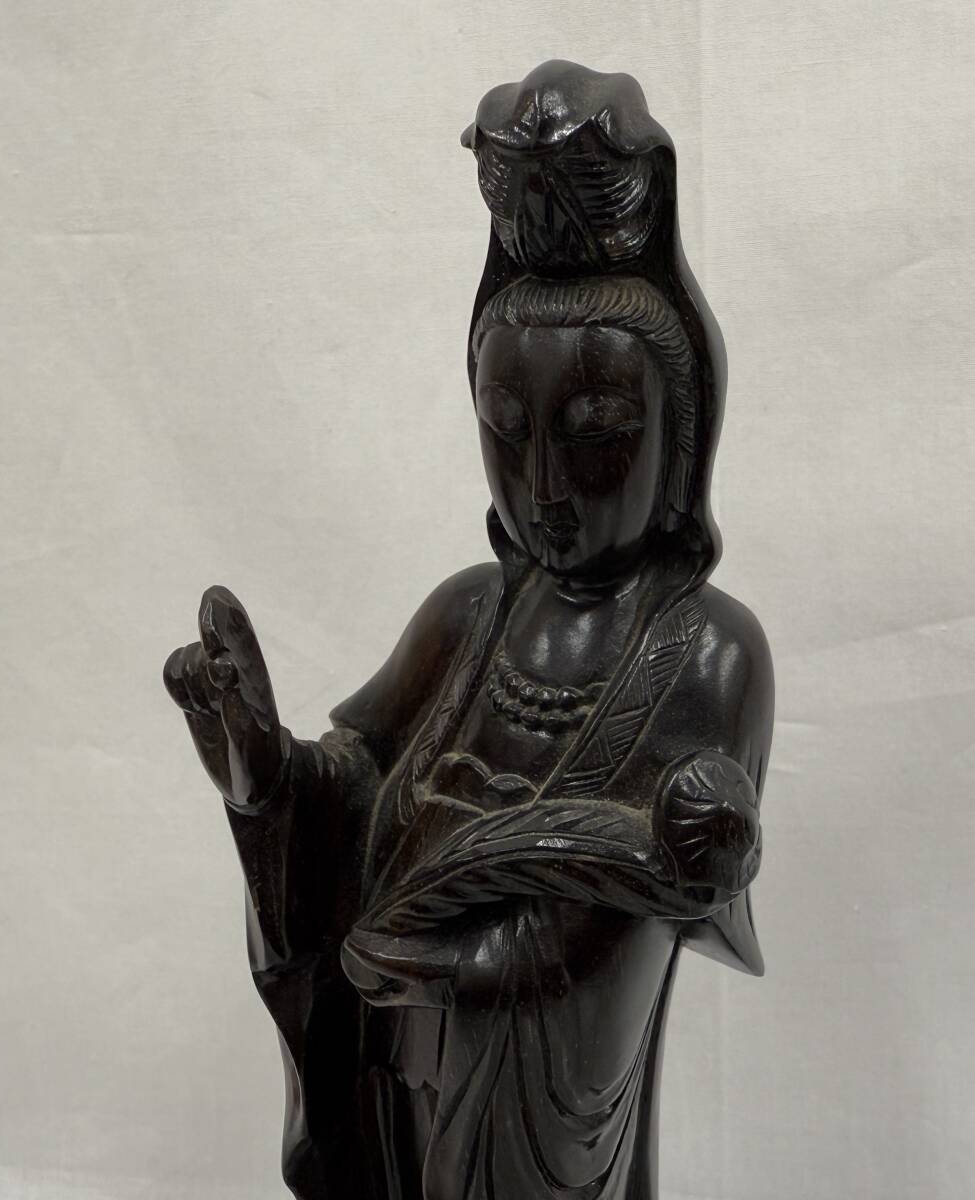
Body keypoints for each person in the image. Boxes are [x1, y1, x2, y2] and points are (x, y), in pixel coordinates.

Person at [164, 62, 773, 1200]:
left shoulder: (704, 649)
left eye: (595, 433)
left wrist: (456, 961)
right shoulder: (466, 612)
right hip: (394, 1046)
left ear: (679, 443)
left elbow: (651, 895)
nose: (544, 485)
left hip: (530, 1075)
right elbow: (353, 789)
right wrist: (267, 776)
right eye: (505, 427)